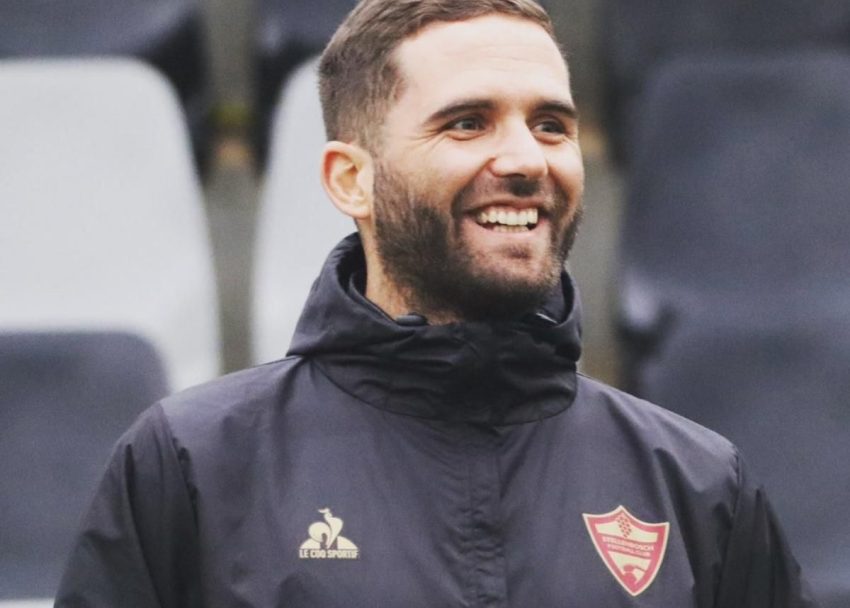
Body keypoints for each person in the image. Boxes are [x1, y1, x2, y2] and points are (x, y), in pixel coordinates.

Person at [56, 0, 817, 606]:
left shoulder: (697, 483)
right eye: (467, 123)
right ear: (351, 180)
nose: (525, 159)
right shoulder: (192, 464)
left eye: (550, 125)